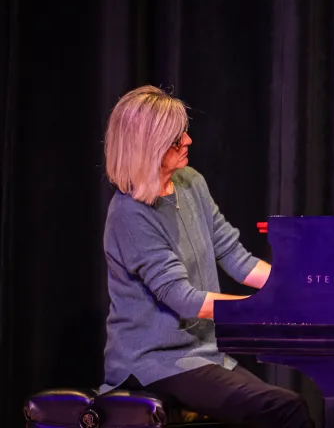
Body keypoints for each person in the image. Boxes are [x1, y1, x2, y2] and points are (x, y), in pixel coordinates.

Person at [99, 85, 313, 427]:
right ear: (147, 148)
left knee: (284, 407)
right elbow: (185, 300)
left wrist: (298, 288)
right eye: (175, 139)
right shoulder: (130, 215)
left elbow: (235, 256)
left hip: (202, 353)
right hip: (153, 361)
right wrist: (265, 307)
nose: (188, 141)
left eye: (184, 132)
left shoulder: (190, 182)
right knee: (285, 409)